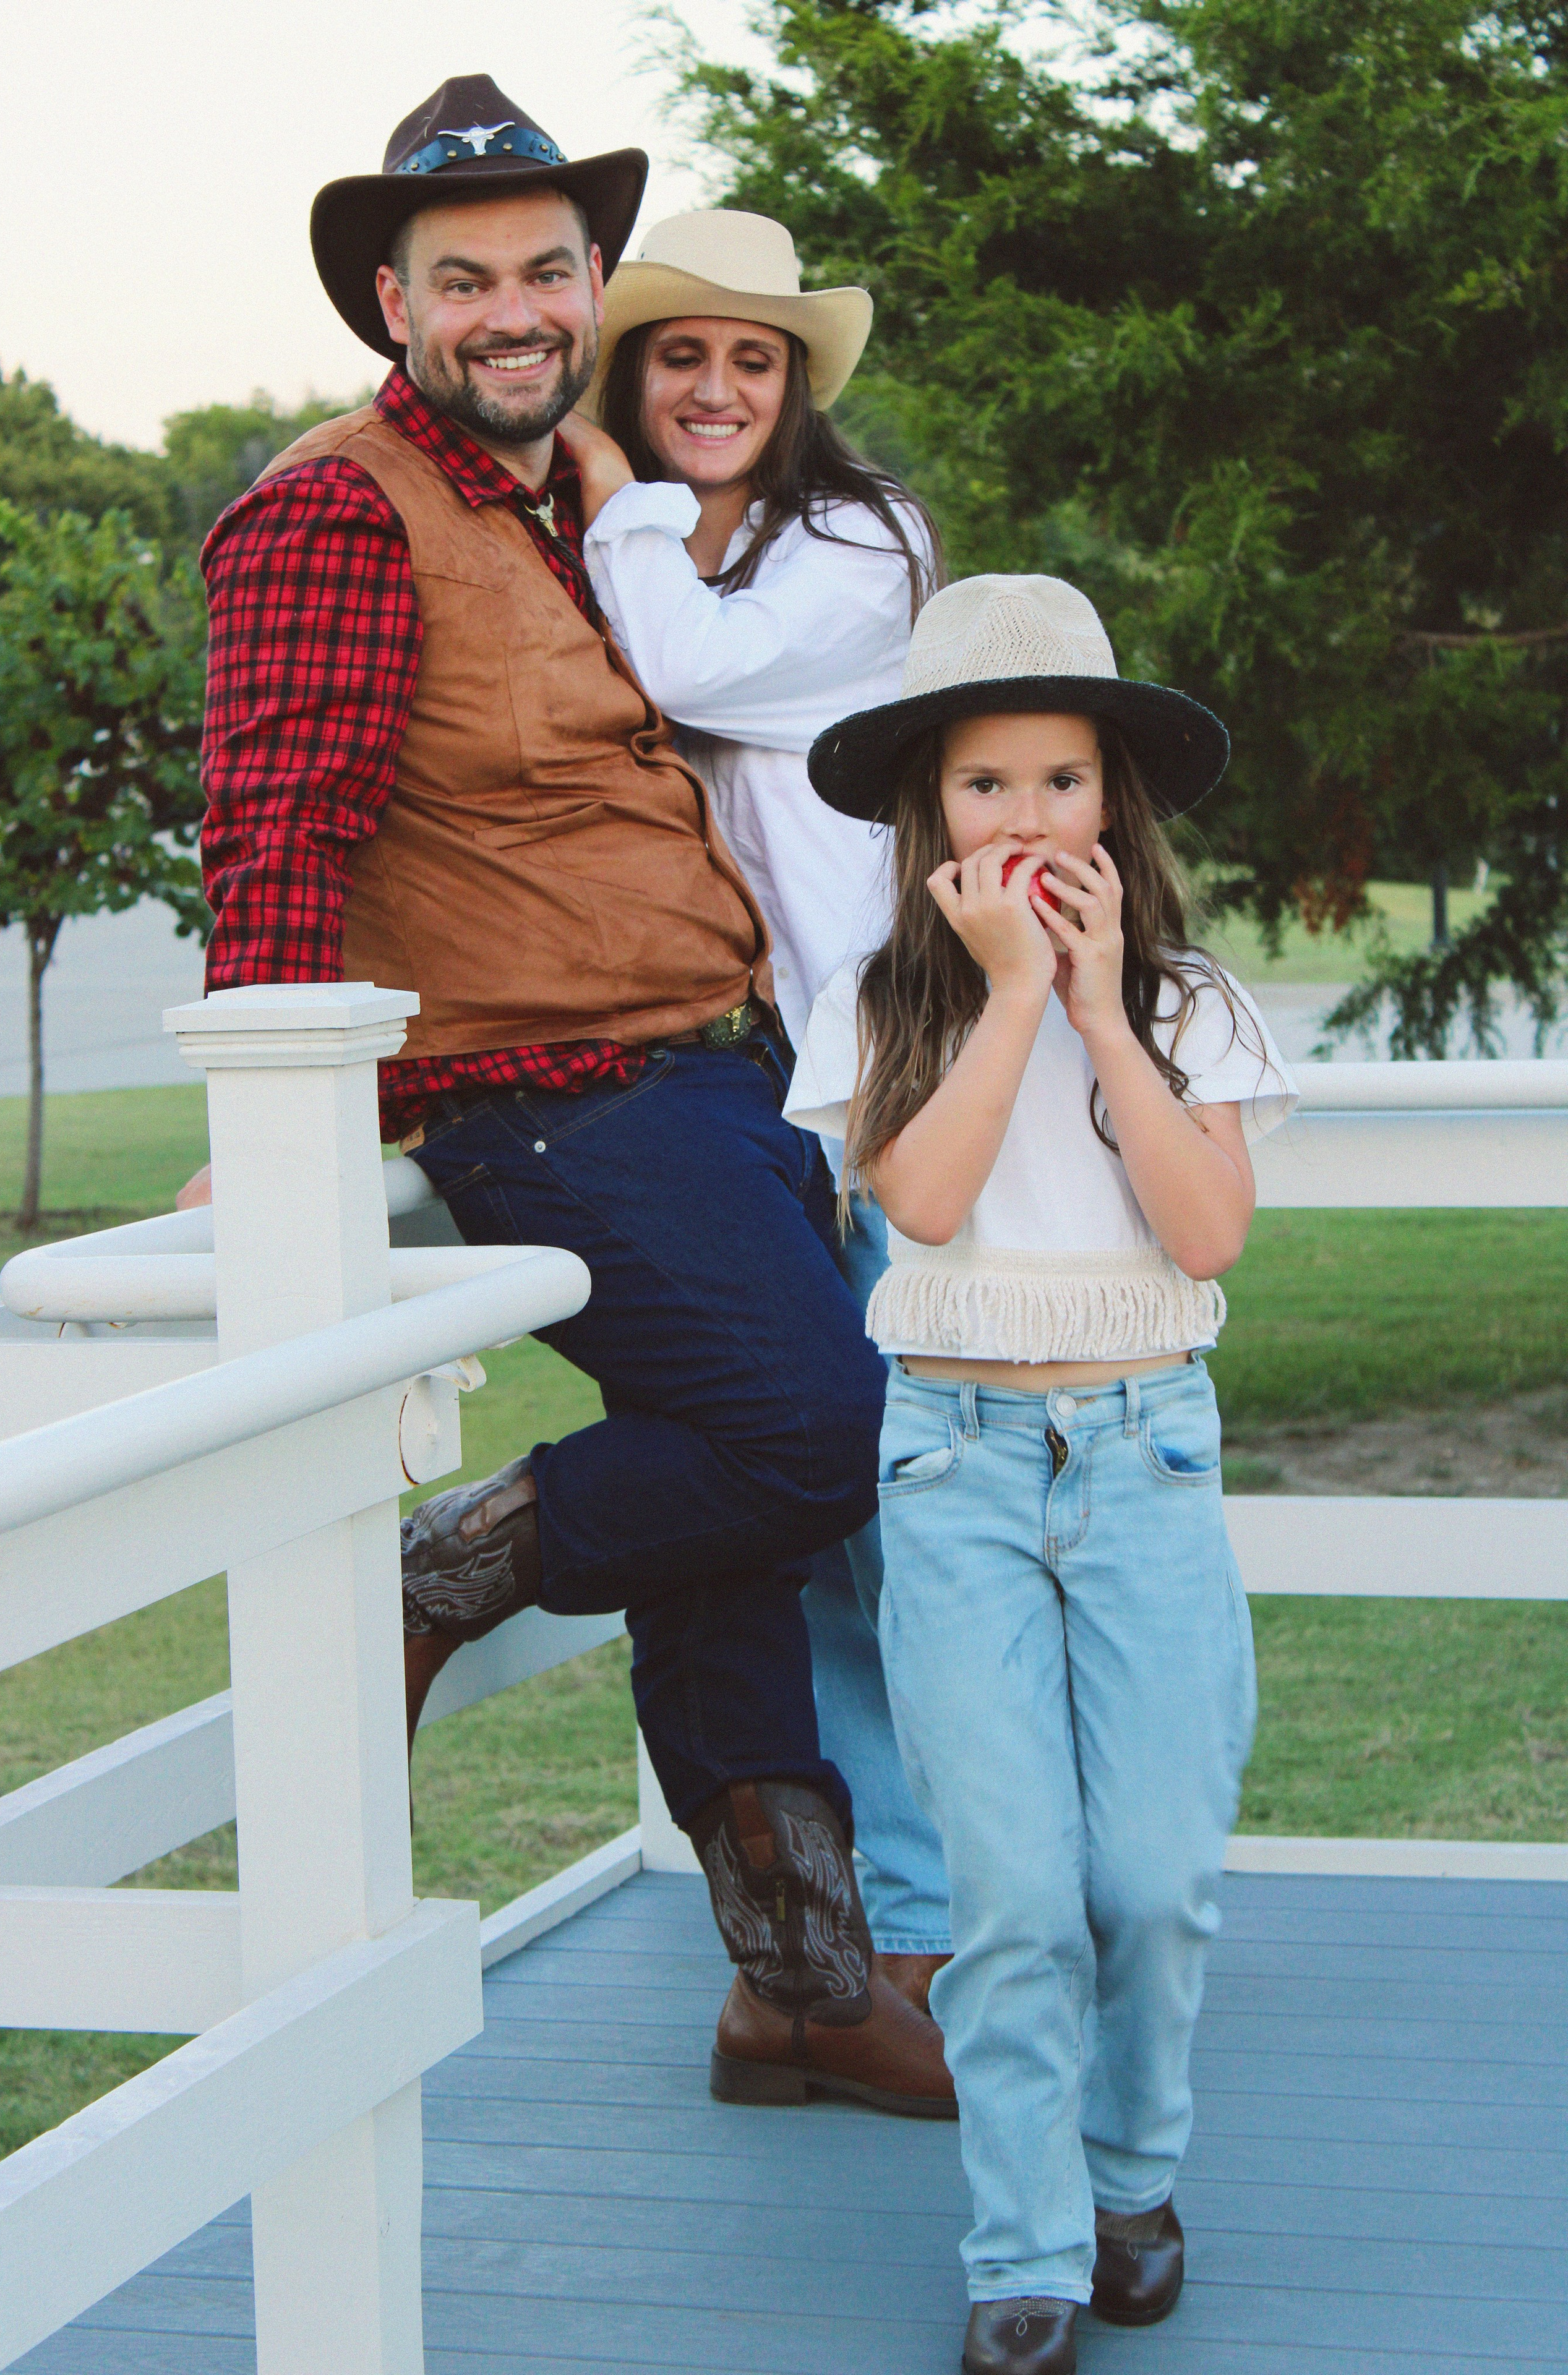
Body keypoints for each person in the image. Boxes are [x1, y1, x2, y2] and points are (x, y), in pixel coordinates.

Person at [191, 74, 952, 2120]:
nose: (514, 307)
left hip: (719, 1076)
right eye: (467, 279)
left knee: (733, 1489)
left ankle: (794, 1986)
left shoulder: (564, 499)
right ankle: (447, 1577)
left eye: (547, 271)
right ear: (392, 297)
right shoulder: (338, 505)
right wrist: (270, 1135)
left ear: (586, 283)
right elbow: (277, 830)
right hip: (556, 1088)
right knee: (821, 1431)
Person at [785, 574, 1296, 2373]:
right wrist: (1007, 996)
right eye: (986, 786)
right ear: (932, 812)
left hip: (1145, 1452)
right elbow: (919, 1205)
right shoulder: (873, 1007)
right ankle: (1026, 2248)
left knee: (1150, 1877)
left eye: (1062, 783)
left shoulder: (1192, 1004)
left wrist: (1096, 1008)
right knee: (1008, 1891)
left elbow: (1209, 1232)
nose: (1027, 820)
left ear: (1114, 803)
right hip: (958, 1466)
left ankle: (1133, 2175)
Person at [557, 205, 955, 2009]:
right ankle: (836, 1950)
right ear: (638, 367)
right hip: (729, 1096)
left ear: (796, 385)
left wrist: (607, 485)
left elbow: (690, 678)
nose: (717, 385)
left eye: (754, 356)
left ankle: (947, 1920)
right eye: (680, 352)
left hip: (882, 1086)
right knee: (794, 1523)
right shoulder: (598, 552)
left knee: (902, 1518)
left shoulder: (859, 541)